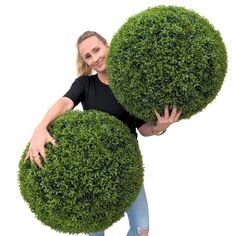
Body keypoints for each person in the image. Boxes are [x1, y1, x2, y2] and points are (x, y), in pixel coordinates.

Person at [25, 31, 182, 236]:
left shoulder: (129, 87)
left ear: (107, 46)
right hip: (94, 167)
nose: (94, 58)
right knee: (96, 230)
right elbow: (66, 102)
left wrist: (160, 127)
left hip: (127, 165)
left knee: (142, 228)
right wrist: (41, 126)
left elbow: (143, 128)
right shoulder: (85, 84)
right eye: (87, 56)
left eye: (96, 49)